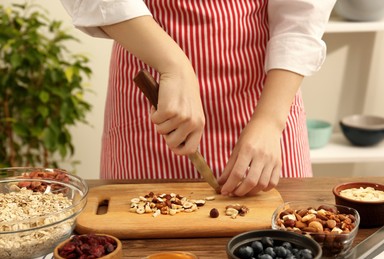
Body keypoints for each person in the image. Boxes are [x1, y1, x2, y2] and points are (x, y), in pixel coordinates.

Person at [60, 0, 336, 196]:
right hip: (151, 99)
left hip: (267, 96)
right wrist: (173, 65)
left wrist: (270, 121)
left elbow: (303, 13)